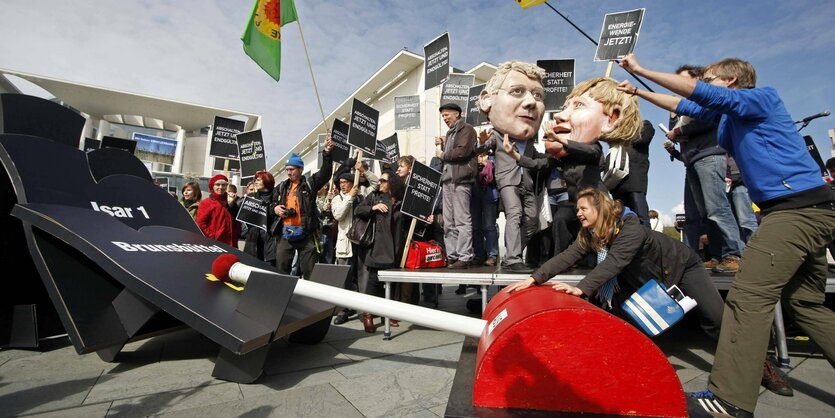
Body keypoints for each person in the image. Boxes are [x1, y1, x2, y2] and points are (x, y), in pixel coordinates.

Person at [618, 53, 833, 417]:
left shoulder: (761, 98)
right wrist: (638, 90)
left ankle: (729, 400)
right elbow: (683, 102)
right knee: (804, 303)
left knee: (748, 298)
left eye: (712, 78)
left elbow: (699, 93)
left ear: (731, 81)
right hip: (804, 212)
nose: (706, 81)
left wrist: (640, 68)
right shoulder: (729, 117)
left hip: (794, 211)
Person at [506, 188, 724, 336]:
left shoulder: (631, 228)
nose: (578, 214)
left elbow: (615, 261)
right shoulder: (591, 234)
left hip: (682, 266)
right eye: (577, 210)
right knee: (631, 323)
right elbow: (567, 256)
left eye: (583, 209)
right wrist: (534, 279)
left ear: (600, 209)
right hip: (647, 277)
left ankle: (743, 367)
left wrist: (581, 289)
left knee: (716, 319)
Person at [666, 64, 745, 274]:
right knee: (705, 212)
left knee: (717, 208)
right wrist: (674, 119)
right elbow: (675, 130)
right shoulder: (684, 105)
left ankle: (733, 254)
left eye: (683, 80)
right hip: (692, 159)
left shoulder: (707, 99)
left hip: (709, 155)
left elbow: (710, 120)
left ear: (697, 80)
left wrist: (681, 129)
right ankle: (718, 255)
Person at [476, 60, 547, 273]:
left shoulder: (533, 143)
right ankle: (514, 258)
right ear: (487, 100)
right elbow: (481, 149)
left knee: (532, 221)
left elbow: (538, 162)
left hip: (528, 183)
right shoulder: (497, 136)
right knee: (514, 214)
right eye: (517, 91)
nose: (531, 103)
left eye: (538, 96)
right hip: (507, 180)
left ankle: (511, 254)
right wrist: (480, 143)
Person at [272, 139, 333, 281]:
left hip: (306, 235)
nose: (288, 173)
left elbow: (325, 173)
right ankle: (282, 297)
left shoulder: (310, 184)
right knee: (281, 271)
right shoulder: (282, 187)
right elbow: (269, 203)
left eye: (291, 169)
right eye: (287, 170)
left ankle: (308, 301)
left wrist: (327, 153)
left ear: (300, 169)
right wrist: (275, 208)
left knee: (310, 272)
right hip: (285, 235)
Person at [353, 171, 398, 332]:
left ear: (391, 182)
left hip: (396, 245)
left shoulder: (399, 198)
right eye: (379, 180)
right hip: (378, 245)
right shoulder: (374, 195)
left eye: (383, 180)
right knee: (373, 281)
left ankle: (388, 313)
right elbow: (358, 210)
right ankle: (368, 315)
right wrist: (373, 207)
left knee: (391, 282)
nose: (380, 182)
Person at [435, 103, 478, 268]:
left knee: (461, 220)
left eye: (446, 115)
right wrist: (445, 143)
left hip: (460, 181)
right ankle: (452, 255)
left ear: (457, 114)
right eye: (443, 116)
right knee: (448, 222)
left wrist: (443, 153)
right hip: (447, 181)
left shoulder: (467, 129)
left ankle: (464, 256)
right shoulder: (450, 133)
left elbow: (462, 152)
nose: (444, 118)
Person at [331, 172, 360, 324]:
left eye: (345, 182)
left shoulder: (360, 197)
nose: (342, 185)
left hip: (360, 244)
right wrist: (349, 198)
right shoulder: (338, 199)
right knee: (344, 278)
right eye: (340, 182)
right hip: (345, 244)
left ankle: (354, 306)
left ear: (352, 183)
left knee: (357, 278)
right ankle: (343, 310)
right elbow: (339, 215)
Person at [243, 171, 277, 265]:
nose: (255, 182)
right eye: (255, 180)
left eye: (258, 180)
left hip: (270, 243)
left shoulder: (276, 198)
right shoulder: (251, 197)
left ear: (266, 181)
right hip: (253, 243)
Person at [196, 174, 234, 246]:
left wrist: (232, 205)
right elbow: (200, 223)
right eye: (218, 185)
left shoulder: (231, 200)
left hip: (230, 243)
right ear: (212, 186)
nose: (220, 187)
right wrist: (212, 237)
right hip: (214, 243)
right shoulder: (206, 203)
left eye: (223, 185)